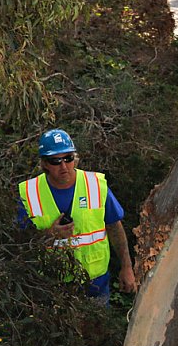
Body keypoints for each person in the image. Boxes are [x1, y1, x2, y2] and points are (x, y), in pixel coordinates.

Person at [17, 129, 137, 304]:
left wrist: (126, 267)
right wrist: (50, 234)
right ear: (44, 164)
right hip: (51, 286)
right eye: (56, 161)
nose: (64, 166)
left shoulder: (96, 185)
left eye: (68, 158)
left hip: (96, 284)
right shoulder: (29, 193)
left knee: (99, 331)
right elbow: (19, 241)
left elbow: (114, 227)